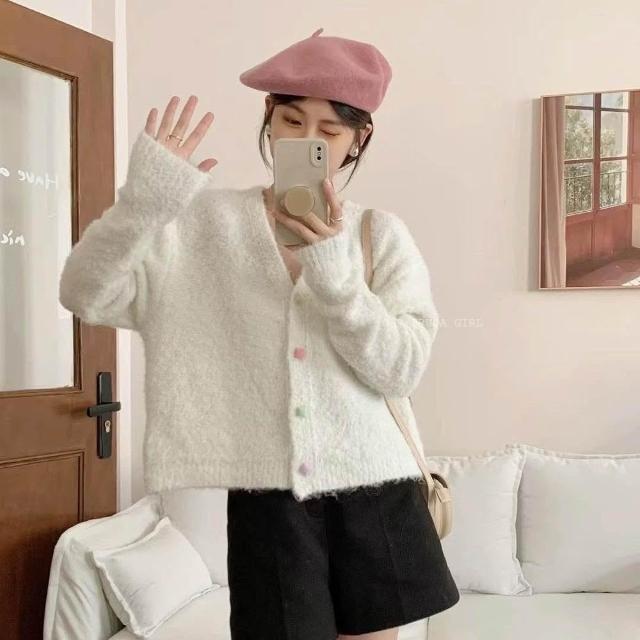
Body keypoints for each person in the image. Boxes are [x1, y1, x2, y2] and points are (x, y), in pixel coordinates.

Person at [59, 27, 459, 640]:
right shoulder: (200, 226)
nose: (305, 141)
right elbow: (85, 294)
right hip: (268, 502)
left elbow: (400, 368)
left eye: (329, 131)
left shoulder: (379, 235)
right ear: (268, 117)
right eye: (291, 120)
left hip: (376, 490)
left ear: (358, 139)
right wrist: (142, 204)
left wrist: (336, 276)